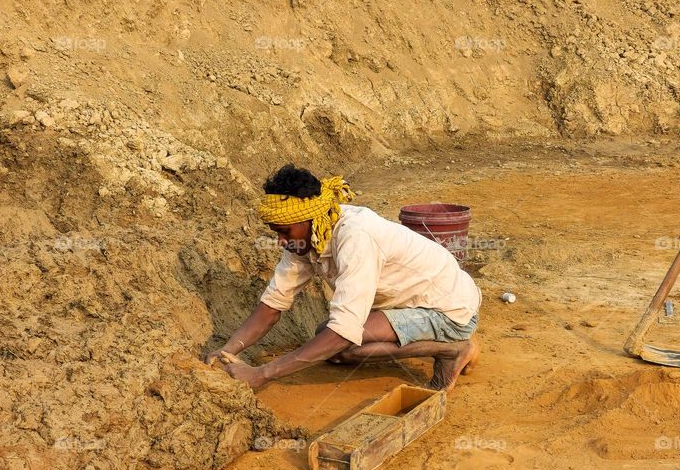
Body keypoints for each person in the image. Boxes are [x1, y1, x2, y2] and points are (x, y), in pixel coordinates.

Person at [204, 164, 481, 390]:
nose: (279, 241)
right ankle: (440, 344)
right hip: (412, 300)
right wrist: (229, 350)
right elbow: (272, 306)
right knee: (324, 336)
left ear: (308, 219)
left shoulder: (356, 237)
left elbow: (342, 333)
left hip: (448, 310)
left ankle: (452, 349)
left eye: (284, 232)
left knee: (340, 347)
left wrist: (262, 373)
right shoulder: (307, 237)